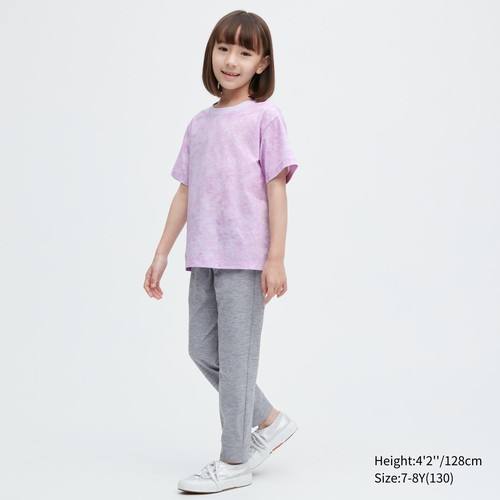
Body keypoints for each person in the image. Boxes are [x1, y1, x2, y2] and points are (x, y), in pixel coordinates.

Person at [144, 10, 300, 493]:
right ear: (211, 53)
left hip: (246, 259)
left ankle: (234, 460)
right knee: (202, 349)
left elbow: (276, 188)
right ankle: (269, 420)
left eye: (244, 52)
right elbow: (185, 191)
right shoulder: (199, 124)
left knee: (236, 361)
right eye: (223, 48)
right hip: (204, 256)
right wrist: (162, 253)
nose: (231, 60)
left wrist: (276, 257)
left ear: (262, 63)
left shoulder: (265, 117)